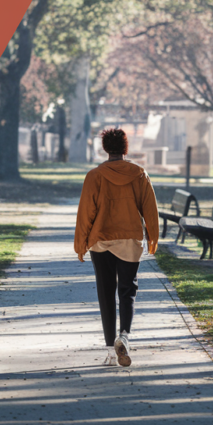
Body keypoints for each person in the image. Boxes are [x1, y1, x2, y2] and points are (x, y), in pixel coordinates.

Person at [73, 127, 158, 367]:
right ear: (125, 147)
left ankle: (111, 351)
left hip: (101, 241)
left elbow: (85, 213)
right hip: (130, 240)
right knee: (127, 290)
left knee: (105, 293)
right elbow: (150, 208)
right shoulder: (139, 174)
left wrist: (80, 244)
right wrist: (152, 238)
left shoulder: (94, 176)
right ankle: (125, 336)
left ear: (105, 148)